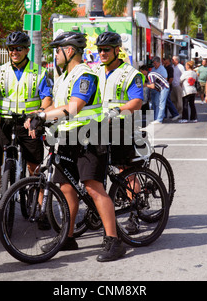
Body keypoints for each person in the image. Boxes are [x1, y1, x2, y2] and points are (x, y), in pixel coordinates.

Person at [29, 31, 126, 262]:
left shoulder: (85, 75)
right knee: (66, 188)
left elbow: (74, 107)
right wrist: (39, 115)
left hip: (90, 137)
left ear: (69, 50)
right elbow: (57, 107)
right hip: (68, 138)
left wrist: (42, 115)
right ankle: (67, 237)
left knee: (93, 188)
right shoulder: (64, 76)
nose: (55, 54)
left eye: (57, 50)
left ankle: (114, 241)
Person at [0, 31, 52, 229]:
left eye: (18, 48)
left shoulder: (39, 72)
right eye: (11, 49)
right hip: (6, 123)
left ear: (27, 49)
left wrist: (40, 113)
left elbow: (46, 97)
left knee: (34, 169)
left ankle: (41, 210)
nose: (14, 52)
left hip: (29, 124)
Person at [93, 31, 144, 164]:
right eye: (99, 50)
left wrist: (116, 111)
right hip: (99, 123)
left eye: (106, 49)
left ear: (117, 50)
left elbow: (137, 102)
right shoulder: (95, 71)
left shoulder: (131, 73)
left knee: (126, 170)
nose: (102, 53)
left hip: (122, 123)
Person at [163, 56, 181, 121]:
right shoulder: (165, 67)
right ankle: (164, 115)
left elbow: (171, 78)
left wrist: (167, 85)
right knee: (165, 101)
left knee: (168, 101)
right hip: (165, 86)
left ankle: (175, 114)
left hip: (167, 87)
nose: (163, 60)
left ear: (168, 60)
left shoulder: (170, 68)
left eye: (164, 59)